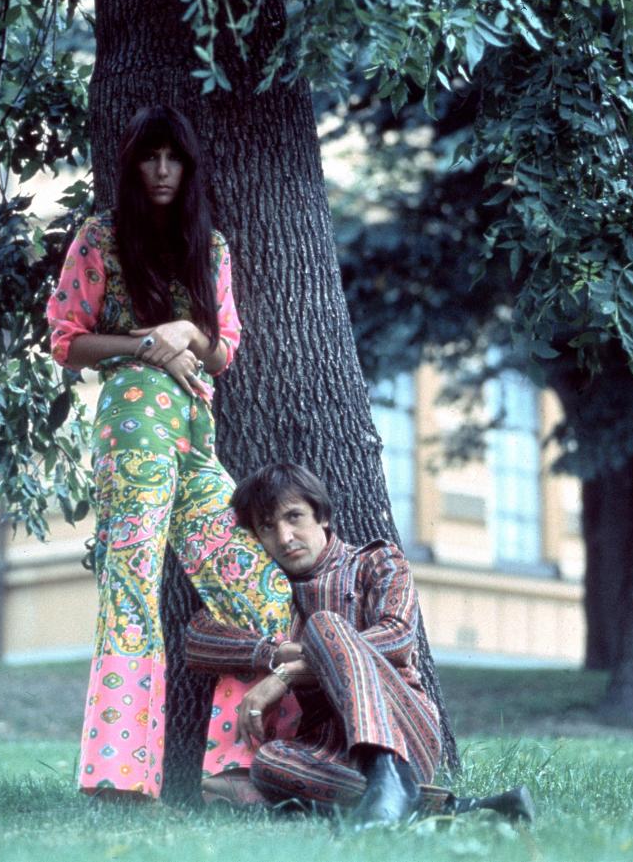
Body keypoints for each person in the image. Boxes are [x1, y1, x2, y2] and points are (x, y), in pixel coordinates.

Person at [46, 106, 292, 800]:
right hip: (132, 429)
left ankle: (234, 766)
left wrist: (184, 326)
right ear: (132, 166)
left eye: (172, 158)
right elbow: (66, 337)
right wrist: (144, 342)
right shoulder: (100, 238)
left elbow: (225, 347)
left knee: (260, 589)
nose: (160, 170)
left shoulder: (208, 247)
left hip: (195, 438)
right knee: (132, 587)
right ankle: (118, 778)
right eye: (149, 158)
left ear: (188, 168)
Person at [186, 463, 534, 826]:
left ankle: (389, 769)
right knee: (270, 764)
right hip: (328, 749)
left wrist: (286, 675)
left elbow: (397, 636)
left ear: (321, 516)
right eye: (268, 527)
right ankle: (450, 806)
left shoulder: (376, 562)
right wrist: (270, 652)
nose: (285, 537)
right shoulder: (262, 592)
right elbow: (198, 639)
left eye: (294, 517)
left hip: (402, 728)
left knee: (325, 625)